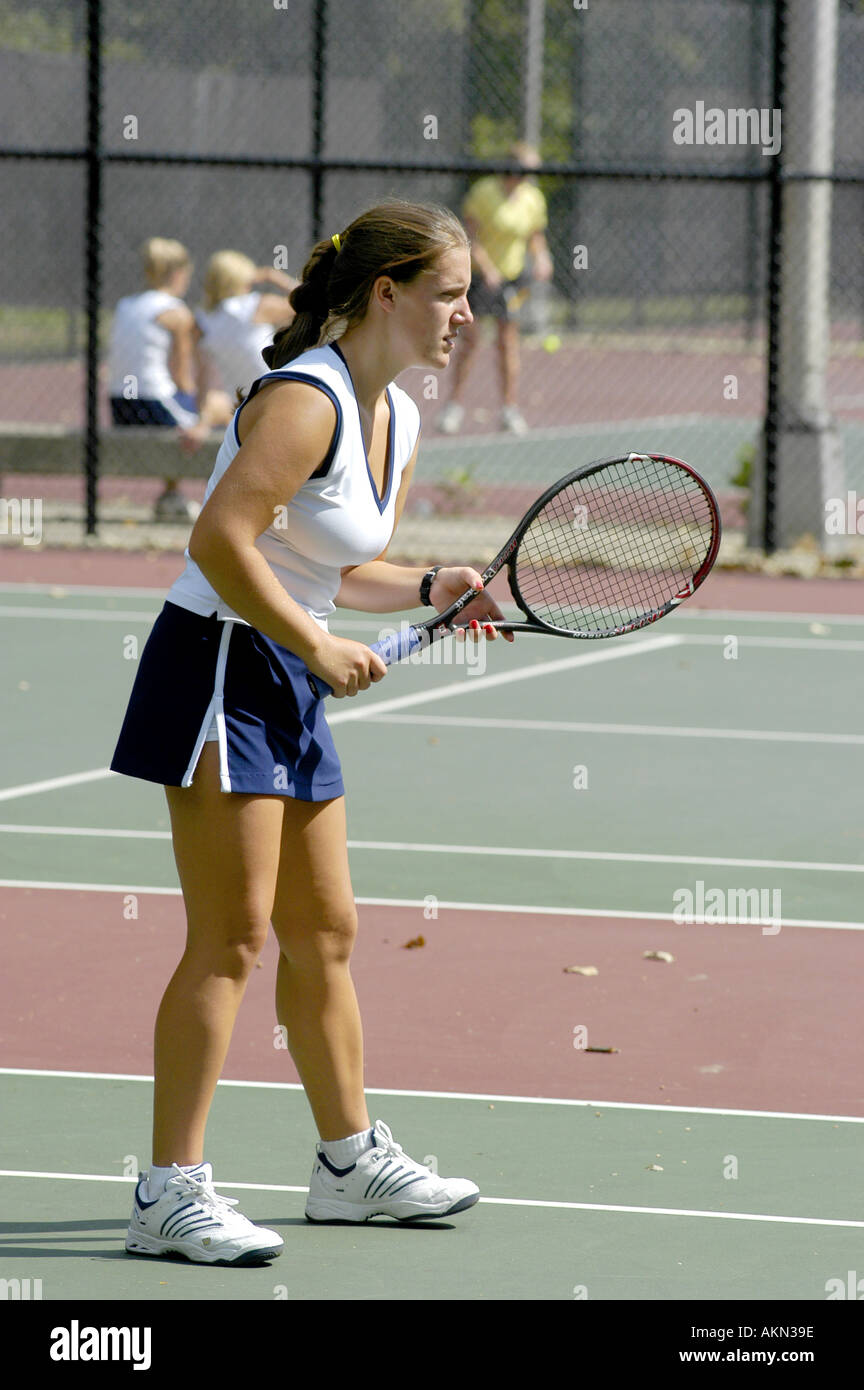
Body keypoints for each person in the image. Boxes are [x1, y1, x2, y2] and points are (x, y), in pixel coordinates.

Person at [109, 200, 514, 1266]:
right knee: (232, 937)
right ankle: (167, 1190)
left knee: (324, 932)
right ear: (386, 292)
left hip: (284, 670)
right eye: (449, 294)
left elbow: (335, 565)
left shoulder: (402, 418)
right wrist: (315, 644)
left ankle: (348, 1163)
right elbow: (222, 538)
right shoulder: (303, 401)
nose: (466, 315)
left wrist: (432, 583)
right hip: (216, 665)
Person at [436, 142, 553, 436]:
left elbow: (535, 236)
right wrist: (486, 268)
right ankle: (453, 407)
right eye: (525, 172)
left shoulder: (533, 199)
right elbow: (469, 236)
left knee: (507, 344)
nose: (528, 179)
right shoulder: (484, 193)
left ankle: (509, 409)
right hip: (478, 279)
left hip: (511, 280)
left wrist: (542, 257)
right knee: (470, 341)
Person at [106, 238, 202, 520]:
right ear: (177, 273)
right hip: (152, 402)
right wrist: (199, 405)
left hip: (119, 405)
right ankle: (173, 496)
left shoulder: (126, 305)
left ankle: (171, 494)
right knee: (217, 411)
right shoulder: (176, 312)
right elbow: (183, 378)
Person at [178, 250, 299, 450]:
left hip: (243, 408)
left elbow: (203, 379)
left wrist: (202, 420)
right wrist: (274, 276)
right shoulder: (256, 305)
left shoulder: (201, 321)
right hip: (279, 399)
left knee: (218, 401)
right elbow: (310, 302)